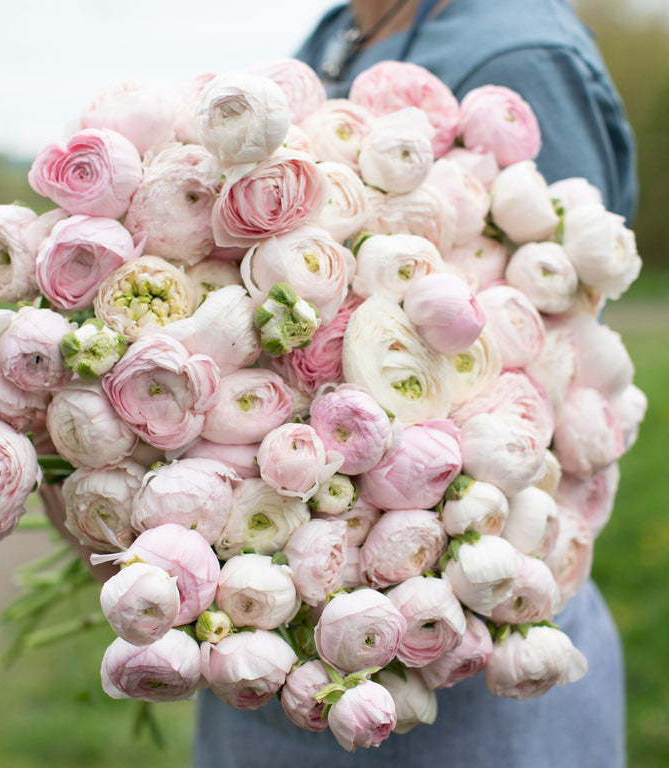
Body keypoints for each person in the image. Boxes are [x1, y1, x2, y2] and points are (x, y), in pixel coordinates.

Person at [192, 2, 635, 766]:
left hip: (450, 684)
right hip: (275, 651)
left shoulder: (521, 50)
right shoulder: (341, 26)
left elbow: (563, 329)